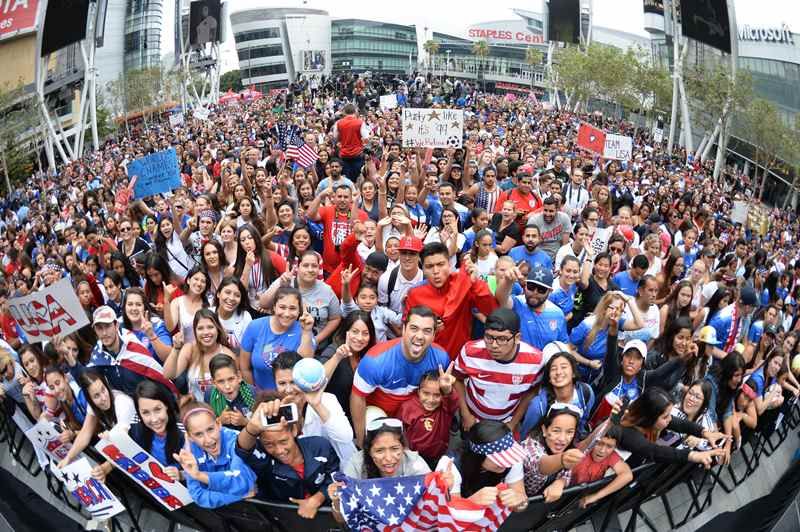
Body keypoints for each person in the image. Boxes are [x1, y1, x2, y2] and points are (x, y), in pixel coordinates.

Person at [350, 306, 450, 447]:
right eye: (414, 328)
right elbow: (357, 397)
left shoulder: (441, 358)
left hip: (415, 417)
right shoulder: (376, 361)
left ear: (434, 335)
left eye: (427, 331)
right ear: (403, 329)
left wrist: (447, 391)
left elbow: (444, 398)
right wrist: (361, 440)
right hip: (380, 415)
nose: (420, 336)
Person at [236, 397, 340, 519]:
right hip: (283, 522)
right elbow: (242, 449)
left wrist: (316, 500)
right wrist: (252, 427)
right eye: (269, 444)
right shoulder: (263, 459)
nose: (279, 450)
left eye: (284, 441)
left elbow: (335, 479)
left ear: (294, 430)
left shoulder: (320, 446)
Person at [454, 308, 543, 433]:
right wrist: (465, 414)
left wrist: (513, 423)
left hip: (506, 421)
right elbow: (457, 380)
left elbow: (532, 392)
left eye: (502, 339)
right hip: (472, 418)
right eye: (489, 337)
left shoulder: (535, 361)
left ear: (517, 338)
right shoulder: (470, 351)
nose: (494, 345)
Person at [404, 243, 497, 359]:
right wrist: (428, 329)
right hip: (426, 359)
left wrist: (476, 283)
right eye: (429, 266)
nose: (436, 271)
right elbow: (406, 330)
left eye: (440, 264)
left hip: (459, 360)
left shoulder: (463, 284)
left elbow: (491, 311)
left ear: (449, 264)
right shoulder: (414, 294)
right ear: (422, 268)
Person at [68, 306, 177, 397]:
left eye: (107, 326)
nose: (104, 333)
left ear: (116, 326)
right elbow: (86, 382)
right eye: (99, 328)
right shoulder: (98, 356)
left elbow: (157, 376)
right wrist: (72, 363)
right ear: (95, 331)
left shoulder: (132, 346)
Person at [271, 351, 356, 463]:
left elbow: (345, 437)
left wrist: (317, 405)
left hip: (343, 469)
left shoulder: (326, 400)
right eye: (282, 383)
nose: (288, 390)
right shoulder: (275, 409)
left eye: (293, 382)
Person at [616, 387, 729, 468]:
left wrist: (705, 433)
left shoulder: (648, 420)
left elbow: (679, 423)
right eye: (665, 417)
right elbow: (655, 451)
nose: (670, 419)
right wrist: (693, 456)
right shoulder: (629, 434)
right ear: (650, 417)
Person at [173, 401, 257, 509]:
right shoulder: (189, 450)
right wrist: (238, 497)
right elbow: (198, 495)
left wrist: (199, 475)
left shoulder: (236, 440)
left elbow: (241, 482)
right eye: (198, 434)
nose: (208, 439)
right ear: (189, 437)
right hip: (229, 511)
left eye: (210, 429)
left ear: (218, 423)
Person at [56, 370, 137, 472]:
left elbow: (123, 442)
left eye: (103, 390)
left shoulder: (121, 402)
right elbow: (85, 433)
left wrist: (105, 468)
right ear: (90, 399)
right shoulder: (93, 406)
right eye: (96, 396)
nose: (103, 398)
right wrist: (68, 458)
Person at [239, 286, 315, 390]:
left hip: (292, 394)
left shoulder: (304, 330)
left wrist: (306, 332)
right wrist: (254, 395)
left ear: (299, 311)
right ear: (274, 307)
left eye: (292, 308)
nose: (287, 314)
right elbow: (244, 368)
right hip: (261, 396)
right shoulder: (255, 327)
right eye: (282, 307)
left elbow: (304, 367)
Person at [163, 308, 236, 402]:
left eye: (210, 327)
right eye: (200, 328)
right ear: (195, 331)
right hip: (196, 410)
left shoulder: (227, 354)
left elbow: (235, 389)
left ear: (217, 329)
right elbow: (168, 375)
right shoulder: (190, 349)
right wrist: (176, 349)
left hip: (222, 410)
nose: (206, 332)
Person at [521, 350, 595, 439]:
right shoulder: (538, 406)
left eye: (564, 367)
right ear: (549, 378)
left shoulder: (586, 392)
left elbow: (583, 422)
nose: (558, 372)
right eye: (553, 369)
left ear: (574, 373)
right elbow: (526, 436)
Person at [495, 263, 569, 351]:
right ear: (525, 285)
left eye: (541, 289)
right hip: (520, 362)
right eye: (531, 287)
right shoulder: (517, 303)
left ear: (550, 291)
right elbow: (501, 298)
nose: (535, 292)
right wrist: (507, 281)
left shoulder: (557, 313)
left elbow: (563, 344)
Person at [318, 311, 376, 421]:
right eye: (355, 332)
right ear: (346, 332)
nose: (360, 338)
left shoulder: (369, 355)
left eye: (365, 333)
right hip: (332, 418)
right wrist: (337, 357)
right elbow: (317, 382)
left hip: (357, 416)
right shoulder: (334, 350)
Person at [521, 402, 585, 500]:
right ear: (544, 430)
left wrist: (560, 482)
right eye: (556, 431)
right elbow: (540, 464)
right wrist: (562, 459)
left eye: (569, 432)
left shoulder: (570, 446)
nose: (562, 439)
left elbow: (566, 474)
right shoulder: (529, 447)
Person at [397, 368, 459, 467]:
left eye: (437, 395)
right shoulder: (407, 407)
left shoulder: (446, 408)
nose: (431, 400)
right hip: (413, 456)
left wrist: (447, 390)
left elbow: (453, 400)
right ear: (418, 391)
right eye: (426, 393)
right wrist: (406, 451)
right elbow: (401, 430)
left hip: (437, 456)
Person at [129, 379, 184, 478]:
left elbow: (203, 469)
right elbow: (123, 450)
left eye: (157, 409)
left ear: (166, 405)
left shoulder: (183, 430)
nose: (154, 419)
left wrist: (181, 474)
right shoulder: (135, 427)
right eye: (145, 413)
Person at [570, 428, 634, 509]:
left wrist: (595, 496)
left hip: (582, 498)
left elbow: (627, 475)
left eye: (609, 446)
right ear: (592, 440)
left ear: (615, 447)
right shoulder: (580, 449)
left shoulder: (611, 456)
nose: (602, 450)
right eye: (599, 443)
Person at [121, 287, 173, 362]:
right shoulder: (119, 326)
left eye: (138, 304)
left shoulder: (157, 324)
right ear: (124, 307)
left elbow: (169, 357)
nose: (134, 308)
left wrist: (152, 336)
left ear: (144, 307)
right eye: (130, 304)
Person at [205, 353, 255, 430]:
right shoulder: (210, 395)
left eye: (231, 379)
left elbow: (262, 425)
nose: (227, 386)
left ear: (239, 377)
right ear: (213, 383)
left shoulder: (252, 393)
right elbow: (206, 425)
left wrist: (245, 422)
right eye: (221, 381)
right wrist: (220, 420)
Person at [378, 235, 425, 315]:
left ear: (419, 256)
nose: (407, 258)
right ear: (399, 254)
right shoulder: (386, 279)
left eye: (412, 254)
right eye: (404, 253)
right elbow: (382, 310)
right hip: (392, 324)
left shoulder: (426, 279)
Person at [527, 196, 572, 261]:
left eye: (551, 211)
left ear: (557, 210)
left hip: (557, 255)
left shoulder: (564, 218)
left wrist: (560, 260)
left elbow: (564, 245)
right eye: (545, 210)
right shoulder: (534, 220)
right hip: (538, 255)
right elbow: (529, 244)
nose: (547, 214)